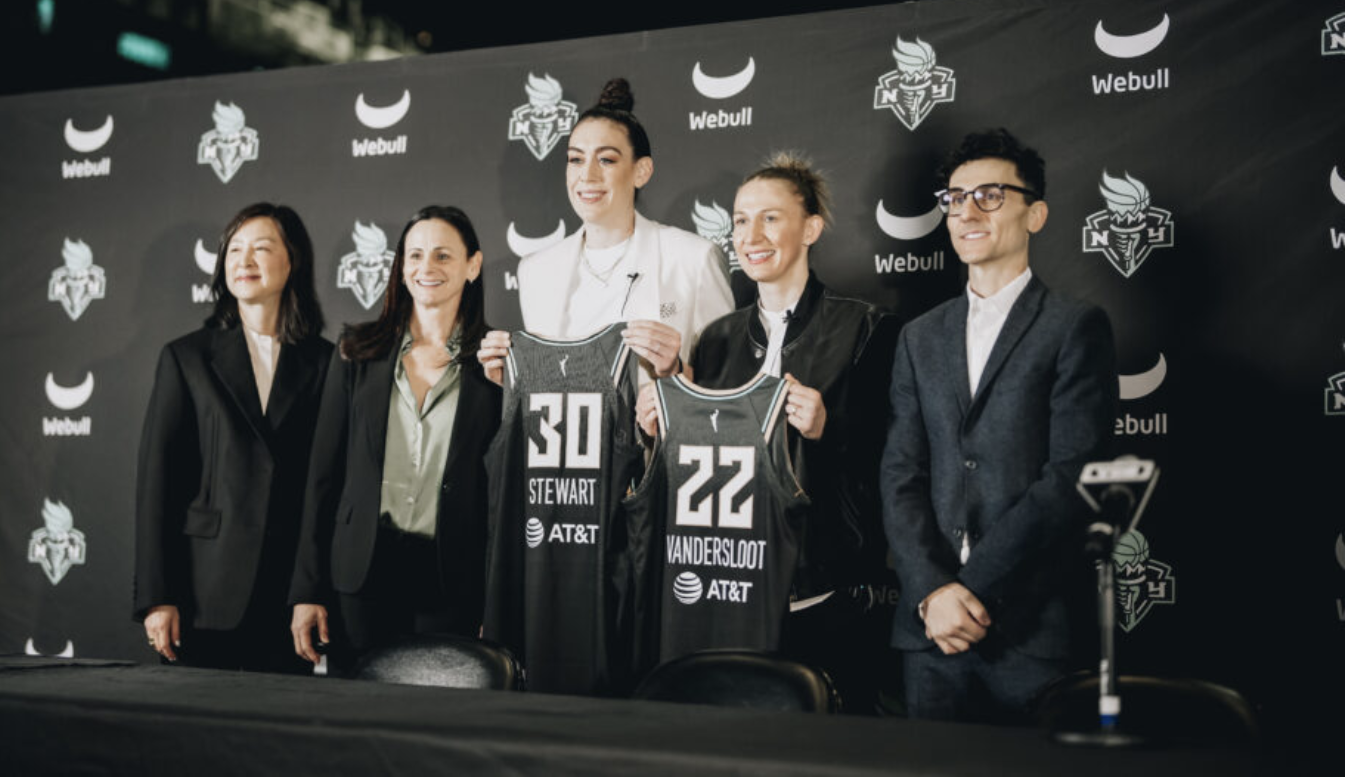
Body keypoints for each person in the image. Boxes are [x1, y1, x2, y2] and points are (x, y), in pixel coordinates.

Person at [637, 152, 893, 710]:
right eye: (740, 220)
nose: (751, 235)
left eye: (771, 218)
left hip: (822, 591)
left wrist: (830, 428)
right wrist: (661, 432)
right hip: (726, 585)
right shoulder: (716, 339)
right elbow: (698, 471)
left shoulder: (865, 327)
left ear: (812, 228)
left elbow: (897, 461)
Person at [879, 128, 1117, 723]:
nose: (966, 212)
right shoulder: (918, 336)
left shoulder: (1074, 326)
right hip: (929, 631)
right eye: (955, 198)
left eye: (989, 195)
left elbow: (1069, 478)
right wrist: (934, 591)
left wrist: (971, 589)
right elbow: (901, 472)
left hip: (1031, 629)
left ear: (1034, 214)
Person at [290, 205, 500, 665]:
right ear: (400, 267)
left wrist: (497, 601)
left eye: (443, 256)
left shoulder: (498, 364)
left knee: (439, 722)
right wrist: (307, 589)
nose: (427, 268)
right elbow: (322, 477)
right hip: (362, 573)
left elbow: (504, 497)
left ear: (473, 266)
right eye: (415, 255)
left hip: (453, 576)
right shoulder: (356, 352)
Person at [134, 202, 331, 673]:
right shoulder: (187, 358)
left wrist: (310, 591)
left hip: (286, 600)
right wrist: (158, 596)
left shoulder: (325, 362)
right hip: (202, 592)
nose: (244, 261)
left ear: (293, 260)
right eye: (234, 250)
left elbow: (324, 487)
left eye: (262, 248)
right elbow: (159, 482)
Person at [478, 77, 733, 386]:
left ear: (642, 171)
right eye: (575, 159)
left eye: (606, 159)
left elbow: (724, 390)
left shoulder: (694, 259)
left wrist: (675, 371)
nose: (587, 175)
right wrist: (514, 381)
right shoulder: (536, 270)